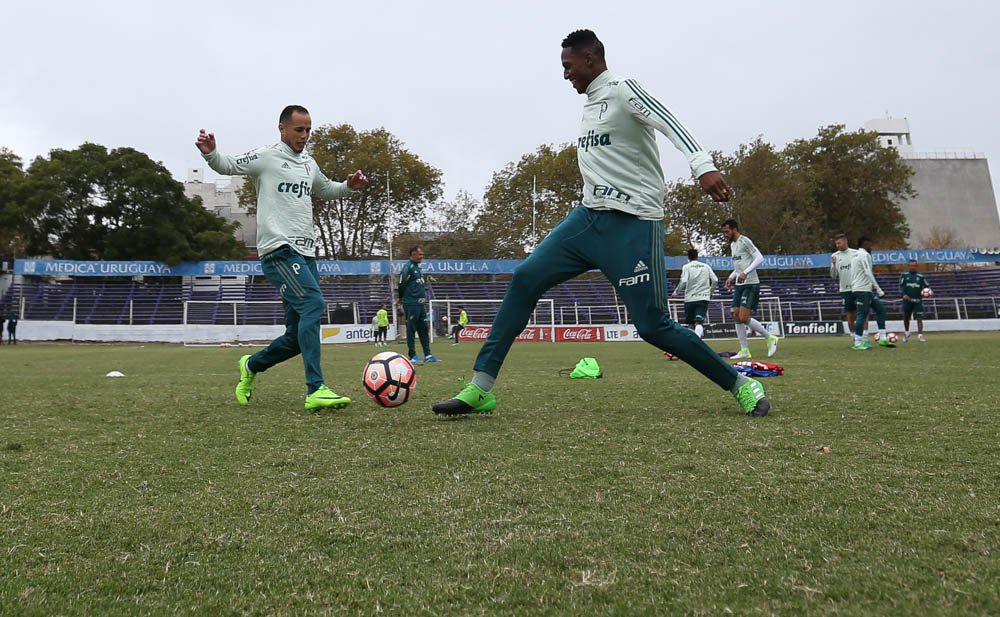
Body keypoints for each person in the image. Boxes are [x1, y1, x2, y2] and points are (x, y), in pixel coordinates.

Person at [431, 29, 770, 417]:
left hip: (633, 226)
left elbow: (670, 122)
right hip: (588, 219)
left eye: (568, 66)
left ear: (590, 60)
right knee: (525, 278)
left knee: (654, 327)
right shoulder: (590, 103)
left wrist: (702, 166)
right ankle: (481, 387)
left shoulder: (624, 90)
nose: (564, 75)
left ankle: (741, 384)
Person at [196, 105, 369, 412]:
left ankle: (251, 365)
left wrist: (348, 187)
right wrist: (211, 153)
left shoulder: (308, 164)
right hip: (279, 250)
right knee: (314, 304)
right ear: (283, 128)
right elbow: (228, 164)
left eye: (308, 130)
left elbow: (326, 189)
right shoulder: (267, 157)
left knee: (295, 336)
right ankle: (316, 389)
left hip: (306, 253)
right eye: (299, 129)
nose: (304, 136)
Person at [723, 219, 780, 359]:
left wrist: (746, 272)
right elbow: (738, 268)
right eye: (723, 232)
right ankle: (744, 350)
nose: (725, 234)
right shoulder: (733, 245)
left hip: (751, 284)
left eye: (727, 231)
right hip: (740, 285)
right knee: (736, 315)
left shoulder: (745, 241)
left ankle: (770, 337)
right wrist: (731, 277)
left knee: (743, 317)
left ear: (735, 229)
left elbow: (759, 258)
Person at [851, 237, 894, 350]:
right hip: (862, 290)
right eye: (870, 245)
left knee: (880, 310)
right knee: (862, 315)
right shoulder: (864, 255)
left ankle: (883, 338)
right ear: (865, 244)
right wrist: (879, 290)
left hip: (865, 289)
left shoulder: (855, 255)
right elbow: (868, 273)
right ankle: (857, 343)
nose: (871, 247)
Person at [398, 246, 439, 364]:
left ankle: (428, 354)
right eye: (420, 254)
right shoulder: (408, 267)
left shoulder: (417, 268)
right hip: (411, 303)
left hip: (420, 303)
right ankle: (413, 356)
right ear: (413, 254)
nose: (422, 256)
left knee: (423, 329)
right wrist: (401, 297)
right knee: (411, 329)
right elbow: (401, 283)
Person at [671, 248, 717, 339]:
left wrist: (676, 292)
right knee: (699, 322)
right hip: (703, 298)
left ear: (688, 258)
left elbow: (684, 281)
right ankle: (697, 340)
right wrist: (710, 293)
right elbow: (715, 280)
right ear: (697, 257)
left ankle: (694, 343)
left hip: (690, 299)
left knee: (690, 324)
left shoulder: (686, 267)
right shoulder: (706, 266)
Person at [830, 233, 860, 336]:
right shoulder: (835, 256)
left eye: (839, 243)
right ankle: (854, 336)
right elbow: (834, 276)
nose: (837, 245)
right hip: (845, 290)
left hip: (858, 288)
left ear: (845, 241)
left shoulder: (856, 253)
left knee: (862, 313)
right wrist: (833, 265)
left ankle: (863, 337)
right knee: (850, 314)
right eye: (836, 244)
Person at [899, 259, 929, 343]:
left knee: (919, 318)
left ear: (917, 266)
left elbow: (927, 286)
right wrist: (903, 294)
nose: (913, 267)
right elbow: (901, 286)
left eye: (914, 266)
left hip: (918, 301)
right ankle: (907, 333)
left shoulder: (920, 276)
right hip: (907, 301)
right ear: (908, 266)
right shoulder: (904, 275)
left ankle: (920, 335)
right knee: (906, 318)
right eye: (911, 266)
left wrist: (927, 293)